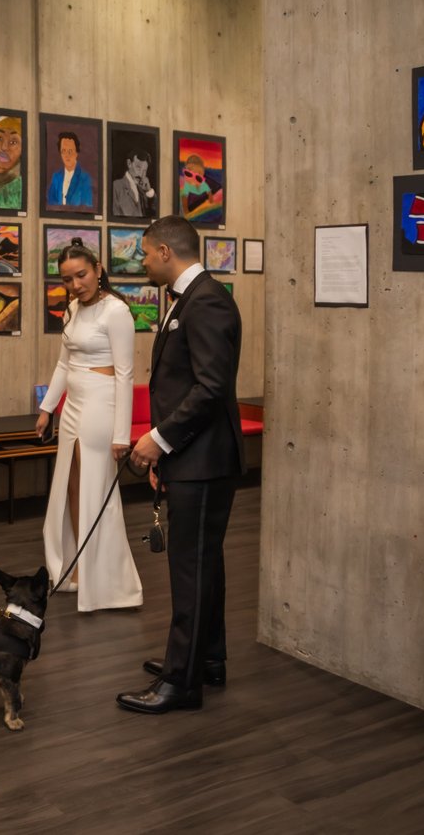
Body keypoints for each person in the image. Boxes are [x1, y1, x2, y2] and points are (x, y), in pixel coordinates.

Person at [119, 215, 245, 714]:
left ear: (167, 253)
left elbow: (211, 388)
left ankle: (181, 682)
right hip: (191, 457)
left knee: (190, 569)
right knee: (203, 564)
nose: (143, 261)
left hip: (205, 460)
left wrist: (158, 439)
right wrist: (164, 455)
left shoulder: (208, 300)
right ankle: (206, 660)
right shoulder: (190, 300)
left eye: (146, 253)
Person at [35, 238, 142, 613]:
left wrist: (121, 434)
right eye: (67, 279)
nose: (75, 284)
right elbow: (64, 364)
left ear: (98, 270)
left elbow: (126, 374)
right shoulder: (72, 309)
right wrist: (48, 408)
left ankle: (109, 581)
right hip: (73, 406)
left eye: (81, 275)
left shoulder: (116, 311)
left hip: (101, 403)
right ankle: (79, 567)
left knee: (96, 490)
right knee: (72, 487)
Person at [46, 131, 94, 209]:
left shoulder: (85, 178)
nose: (67, 155)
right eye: (63, 151)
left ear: (76, 153)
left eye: (70, 151)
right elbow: (51, 205)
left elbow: (86, 207)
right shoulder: (56, 177)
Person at [111, 149, 157, 218]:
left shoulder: (143, 190)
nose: (141, 174)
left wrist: (149, 190)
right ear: (129, 163)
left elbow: (155, 213)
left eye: (144, 170)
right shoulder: (116, 186)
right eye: (138, 168)